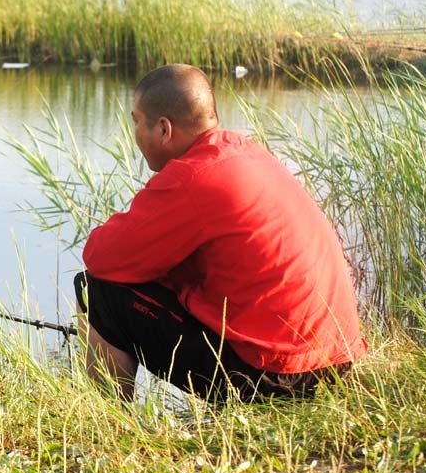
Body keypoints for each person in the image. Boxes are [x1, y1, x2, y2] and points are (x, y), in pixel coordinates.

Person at [75, 64, 367, 403]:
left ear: (164, 129)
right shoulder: (245, 152)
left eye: (137, 121)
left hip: (280, 377)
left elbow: (101, 257)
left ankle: (108, 420)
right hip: (336, 362)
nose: (136, 132)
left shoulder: (192, 176)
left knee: (97, 289)